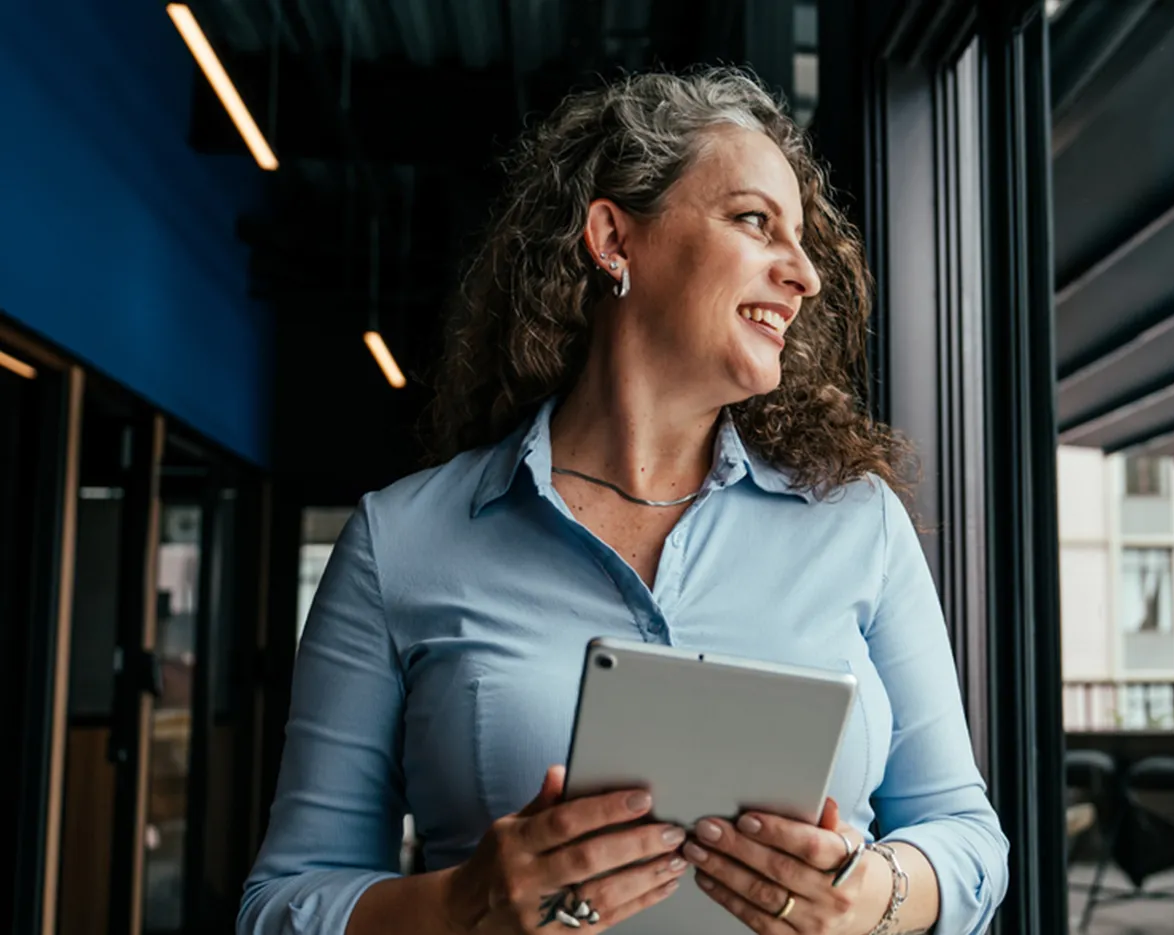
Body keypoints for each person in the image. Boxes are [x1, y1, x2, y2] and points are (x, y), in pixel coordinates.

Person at [238, 70, 1009, 935]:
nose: (804, 276)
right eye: (756, 221)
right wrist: (464, 903)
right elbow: (283, 904)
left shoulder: (857, 521)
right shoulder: (401, 541)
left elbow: (969, 839)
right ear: (614, 238)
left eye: (802, 241)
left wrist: (871, 896)